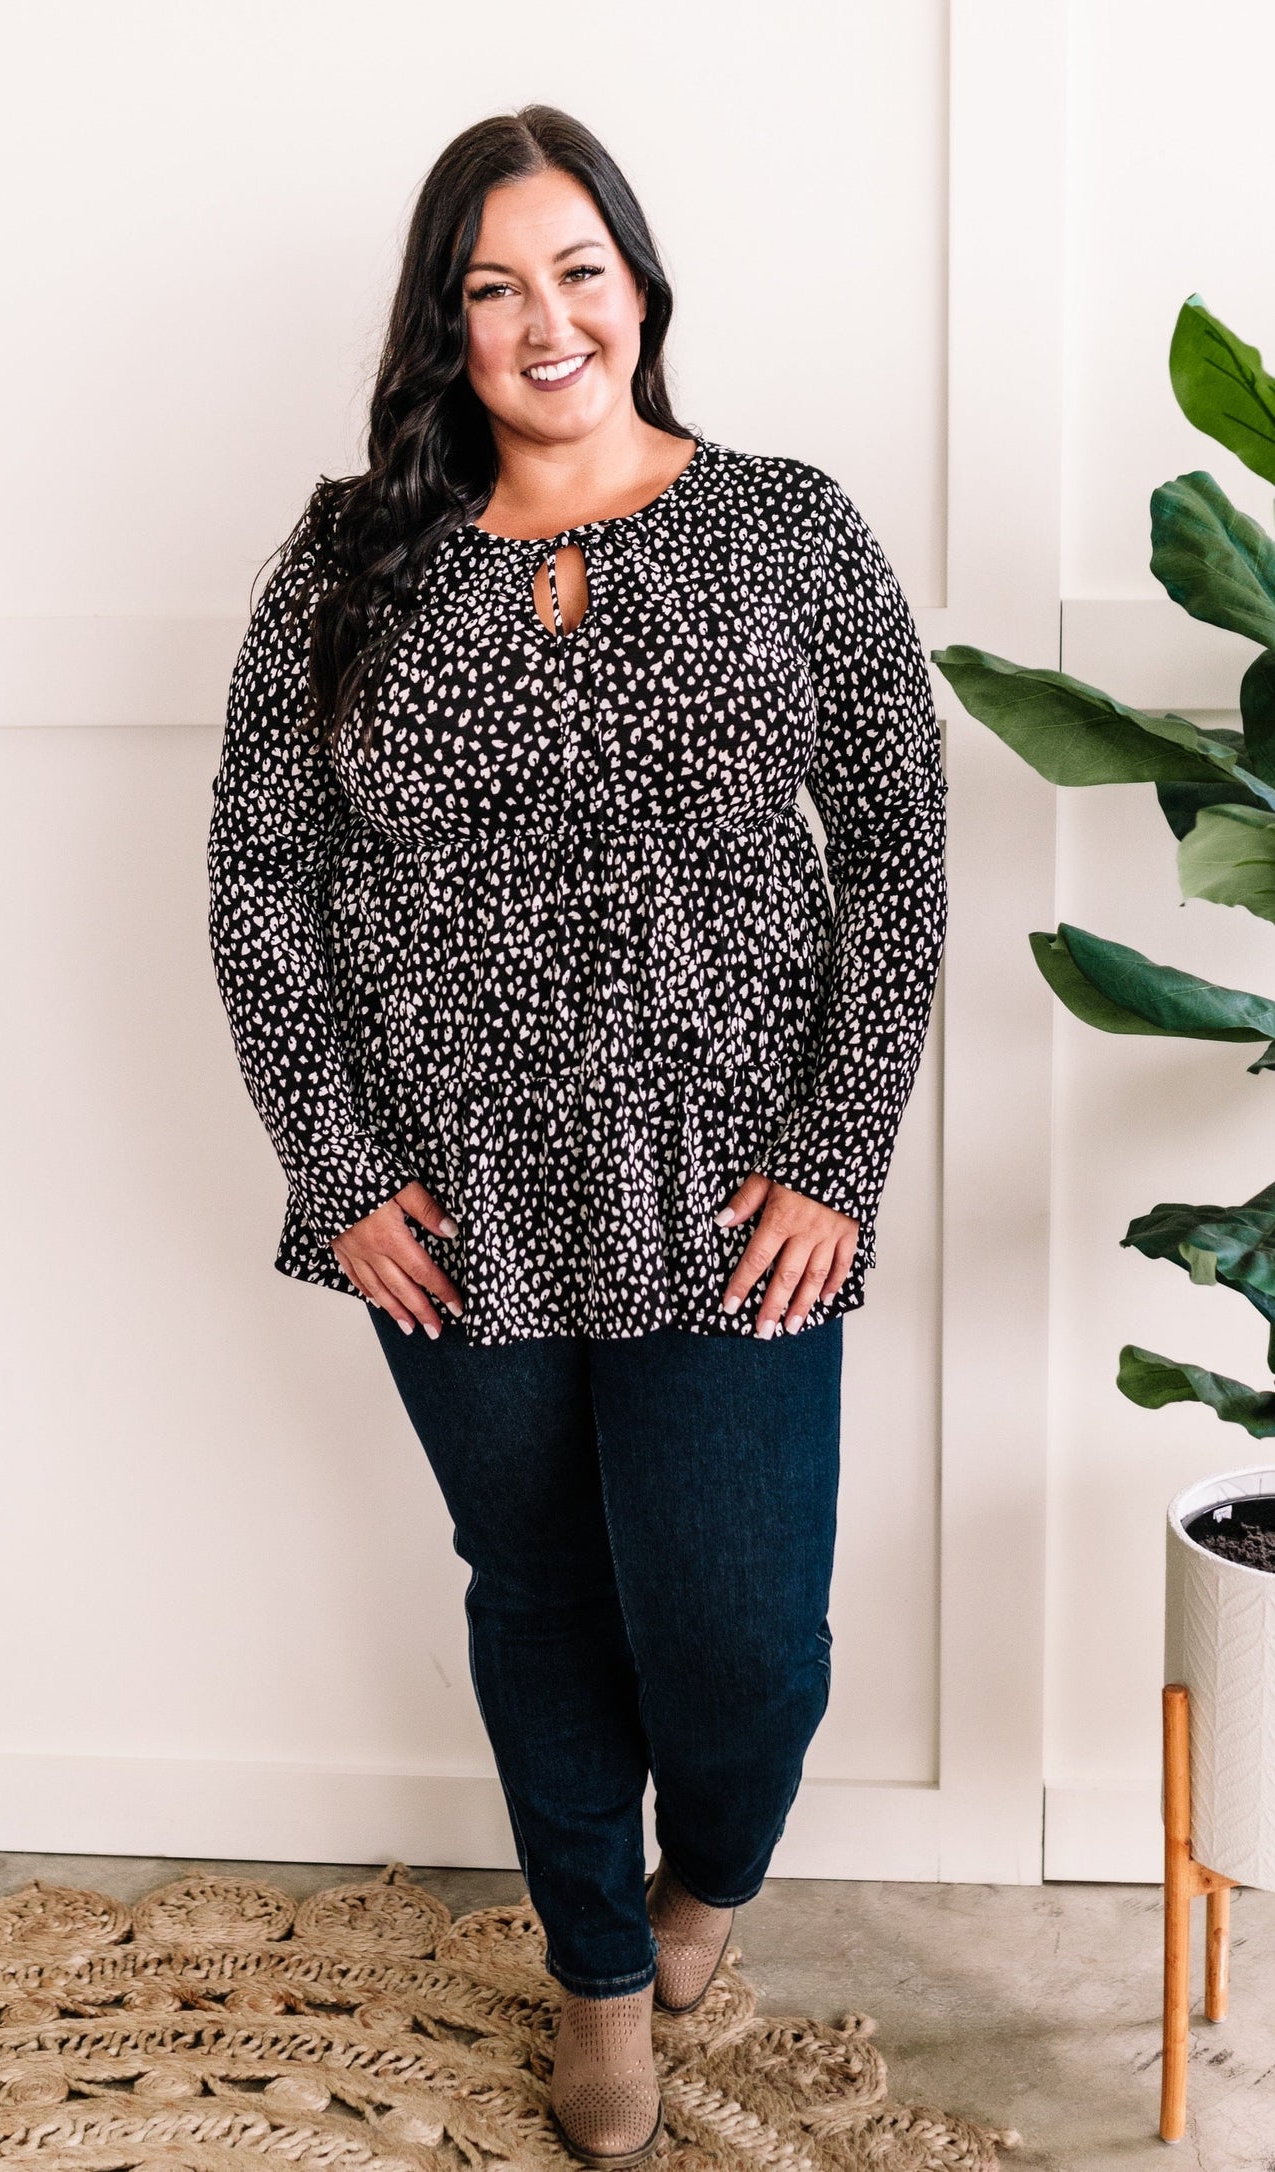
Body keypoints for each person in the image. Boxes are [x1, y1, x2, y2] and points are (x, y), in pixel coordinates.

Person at [208, 103, 947, 2171]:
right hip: (450, 1195)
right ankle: (599, 1977)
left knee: (742, 1642)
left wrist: (839, 1156)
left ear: (641, 284)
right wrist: (341, 1174)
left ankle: (702, 1888)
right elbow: (259, 881)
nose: (546, 322)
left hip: (735, 1193)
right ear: (444, 328)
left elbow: (894, 856)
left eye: (579, 271)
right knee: (533, 1589)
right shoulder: (350, 561)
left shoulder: (790, 525)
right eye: (493, 287)